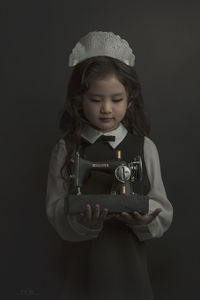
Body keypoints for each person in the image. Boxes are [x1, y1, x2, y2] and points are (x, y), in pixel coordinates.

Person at [45, 31, 173, 300]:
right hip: (80, 274)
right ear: (79, 100)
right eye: (95, 99)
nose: (106, 108)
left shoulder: (145, 148)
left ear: (131, 99)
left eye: (116, 100)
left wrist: (145, 219)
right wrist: (81, 222)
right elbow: (55, 211)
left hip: (129, 272)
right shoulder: (66, 148)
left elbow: (162, 209)